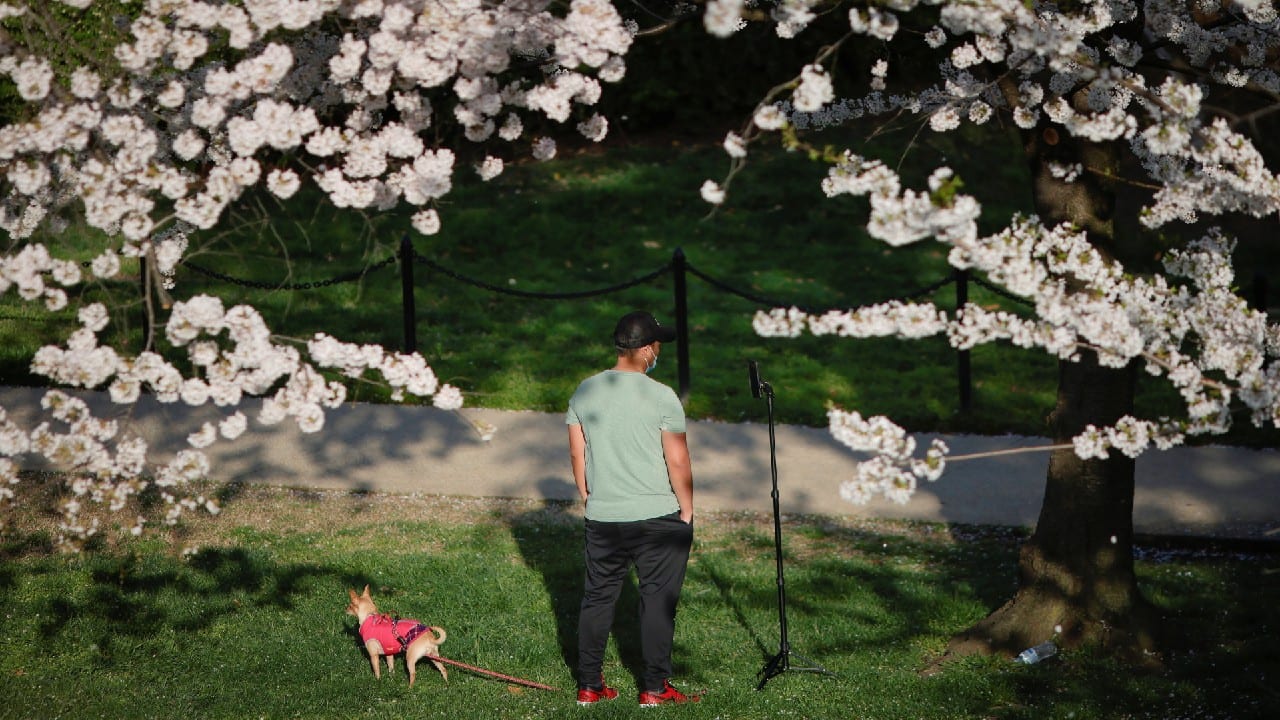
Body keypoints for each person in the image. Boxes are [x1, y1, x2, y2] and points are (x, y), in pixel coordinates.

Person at [566, 310, 700, 707]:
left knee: (597, 598)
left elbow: (578, 452)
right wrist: (687, 508)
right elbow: (678, 460)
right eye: (657, 344)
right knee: (657, 599)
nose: (659, 351)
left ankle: (590, 686)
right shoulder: (661, 396)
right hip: (658, 516)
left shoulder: (584, 391)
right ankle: (655, 689)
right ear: (645, 349)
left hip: (603, 515)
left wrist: (588, 496)